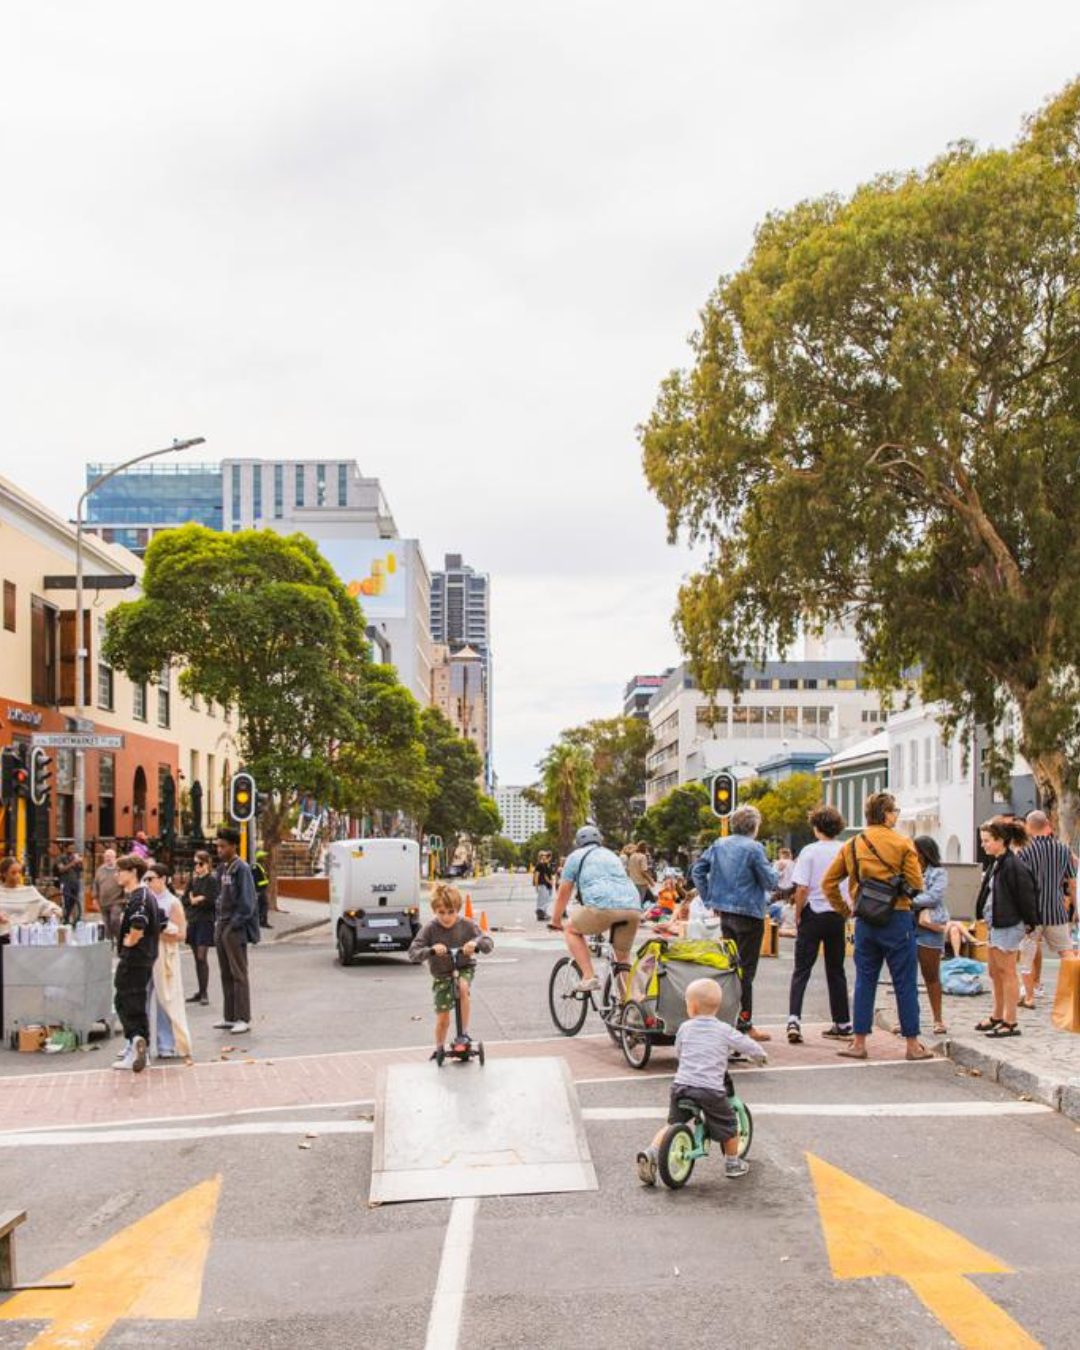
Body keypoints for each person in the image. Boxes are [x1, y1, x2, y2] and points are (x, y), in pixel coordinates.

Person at [822, 792, 933, 1062]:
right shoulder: (903, 843)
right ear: (885, 814)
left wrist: (846, 909)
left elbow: (828, 882)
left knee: (864, 981)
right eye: (894, 810)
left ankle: (859, 1043)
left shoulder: (853, 844)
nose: (897, 814)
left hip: (865, 920)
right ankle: (912, 1044)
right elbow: (917, 885)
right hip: (897, 919)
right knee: (905, 982)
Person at [635, 977, 766, 1185]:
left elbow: (679, 1050)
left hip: (681, 1087)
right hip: (710, 1090)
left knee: (673, 1124)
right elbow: (746, 1044)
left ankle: (651, 1151)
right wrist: (760, 1056)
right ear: (718, 1007)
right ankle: (732, 1163)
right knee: (730, 1125)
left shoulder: (685, 1028)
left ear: (692, 1007)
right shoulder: (724, 1029)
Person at [690, 805, 779, 1040]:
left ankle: (727, 1017)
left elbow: (698, 870)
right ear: (754, 827)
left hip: (725, 913)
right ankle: (745, 1024)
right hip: (750, 914)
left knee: (730, 967)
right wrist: (777, 871)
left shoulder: (720, 844)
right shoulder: (754, 848)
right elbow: (770, 881)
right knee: (746, 972)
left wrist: (709, 898)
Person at [786, 805, 852, 1044]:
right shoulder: (846, 849)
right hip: (836, 914)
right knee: (836, 970)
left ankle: (794, 1019)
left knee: (801, 969)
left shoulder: (809, 851)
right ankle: (843, 1022)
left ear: (816, 827)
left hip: (812, 913)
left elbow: (802, 887)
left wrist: (798, 912)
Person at [549, 825, 643, 993]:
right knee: (622, 959)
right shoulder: (612, 855)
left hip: (601, 906)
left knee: (571, 929)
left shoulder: (574, 857)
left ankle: (588, 976)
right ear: (600, 840)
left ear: (578, 842)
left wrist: (556, 920)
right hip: (633, 906)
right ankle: (631, 1007)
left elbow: (564, 892)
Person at [408, 881, 494, 1055]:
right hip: (441, 974)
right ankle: (439, 1048)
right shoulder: (430, 929)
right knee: (443, 1020)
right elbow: (413, 952)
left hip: (463, 967)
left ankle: (463, 1034)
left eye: (451, 912)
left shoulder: (467, 924)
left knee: (462, 986)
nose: (446, 917)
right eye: (441, 912)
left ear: (458, 910)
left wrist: (474, 943)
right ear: (434, 911)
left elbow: (488, 943)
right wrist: (431, 950)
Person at [974, 816, 1039, 1038]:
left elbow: (1026, 896)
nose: (983, 845)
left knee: (1007, 972)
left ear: (1001, 840)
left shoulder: (1013, 864)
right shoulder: (998, 862)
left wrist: (1031, 922)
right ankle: (997, 1015)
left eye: (987, 841)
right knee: (994, 971)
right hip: (997, 923)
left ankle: (1010, 1021)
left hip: (1008, 924)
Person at [1018, 809, 1077, 1009]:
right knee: (1067, 953)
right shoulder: (1063, 850)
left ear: (1028, 827)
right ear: (1047, 825)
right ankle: (1072, 995)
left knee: (1027, 956)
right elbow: (1072, 882)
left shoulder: (1024, 852)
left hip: (1032, 913)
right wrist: (1076, 908)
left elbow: (1020, 884)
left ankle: (1029, 997)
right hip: (1057, 911)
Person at [112, 853, 161, 1073]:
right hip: (143, 958)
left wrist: (130, 941)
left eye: (120, 870)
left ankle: (135, 1042)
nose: (116, 875)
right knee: (134, 1000)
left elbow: (139, 925)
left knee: (125, 1000)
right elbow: (161, 920)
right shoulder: (144, 895)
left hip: (135, 958)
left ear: (132, 872)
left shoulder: (139, 897)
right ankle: (139, 1044)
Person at [214, 826, 260, 1036]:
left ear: (234, 846)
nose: (219, 850)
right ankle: (229, 1016)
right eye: (217, 846)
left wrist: (233, 924)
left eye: (223, 846)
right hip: (222, 924)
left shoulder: (242, 869)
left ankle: (243, 1018)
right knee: (225, 973)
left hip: (234, 927)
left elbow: (248, 903)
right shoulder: (224, 868)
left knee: (238, 974)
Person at [145, 864, 192, 1061]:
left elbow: (181, 934)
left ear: (163, 879)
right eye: (145, 879)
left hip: (165, 957)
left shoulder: (173, 902)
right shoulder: (144, 900)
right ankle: (141, 1043)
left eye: (151, 878)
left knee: (165, 1000)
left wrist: (159, 932)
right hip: (145, 954)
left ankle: (166, 1044)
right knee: (141, 1000)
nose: (147, 882)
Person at [911, 836, 950, 1036]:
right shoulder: (908, 869)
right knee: (906, 977)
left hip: (928, 927)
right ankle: (909, 1019)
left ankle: (938, 1019)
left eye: (914, 850)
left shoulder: (939, 872)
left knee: (931, 975)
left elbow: (934, 897)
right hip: (908, 926)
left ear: (924, 852)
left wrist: (909, 901)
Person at [183, 849, 218, 1006]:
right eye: (195, 863)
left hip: (206, 922)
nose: (197, 866)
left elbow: (212, 901)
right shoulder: (193, 880)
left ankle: (204, 993)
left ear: (207, 864)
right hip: (193, 921)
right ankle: (199, 990)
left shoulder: (212, 880)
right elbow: (184, 899)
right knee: (196, 957)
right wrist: (194, 900)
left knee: (201, 957)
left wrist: (196, 900)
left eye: (200, 863)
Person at [93, 847, 125, 947]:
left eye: (110, 856)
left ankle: (120, 940)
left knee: (114, 920)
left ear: (115, 857)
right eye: (106, 856)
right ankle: (109, 945)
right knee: (106, 925)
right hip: (103, 902)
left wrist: (126, 898)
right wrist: (94, 898)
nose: (108, 858)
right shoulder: (100, 870)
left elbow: (125, 883)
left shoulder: (119, 870)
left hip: (117, 901)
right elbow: (95, 884)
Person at [53, 844, 83, 924]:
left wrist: (79, 863)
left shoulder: (75, 857)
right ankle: (65, 918)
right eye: (70, 848)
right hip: (65, 882)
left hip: (75, 882)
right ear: (66, 849)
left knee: (73, 901)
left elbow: (81, 870)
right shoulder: (61, 858)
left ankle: (66, 917)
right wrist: (73, 863)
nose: (72, 850)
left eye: (73, 849)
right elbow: (61, 869)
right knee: (66, 901)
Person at [626, 843, 657, 907]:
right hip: (641, 883)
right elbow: (644, 871)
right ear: (644, 848)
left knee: (633, 901)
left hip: (632, 882)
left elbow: (628, 869)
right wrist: (651, 881)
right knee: (639, 902)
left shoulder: (632, 856)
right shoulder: (643, 857)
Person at [533, 850, 556, 922]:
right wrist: (536, 886)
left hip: (544, 884)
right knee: (542, 900)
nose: (545, 857)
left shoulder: (543, 865)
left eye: (545, 855)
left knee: (544, 899)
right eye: (543, 855)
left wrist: (550, 882)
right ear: (540, 856)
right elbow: (536, 876)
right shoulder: (539, 865)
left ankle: (541, 914)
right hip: (541, 884)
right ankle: (540, 912)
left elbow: (545, 875)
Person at [252, 850, 272, 929]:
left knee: (262, 906)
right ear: (260, 858)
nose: (265, 858)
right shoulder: (256, 867)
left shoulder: (259, 866)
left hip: (261, 890)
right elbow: (256, 880)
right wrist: (258, 890)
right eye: (264, 857)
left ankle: (262, 921)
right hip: (260, 890)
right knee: (264, 905)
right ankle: (263, 922)